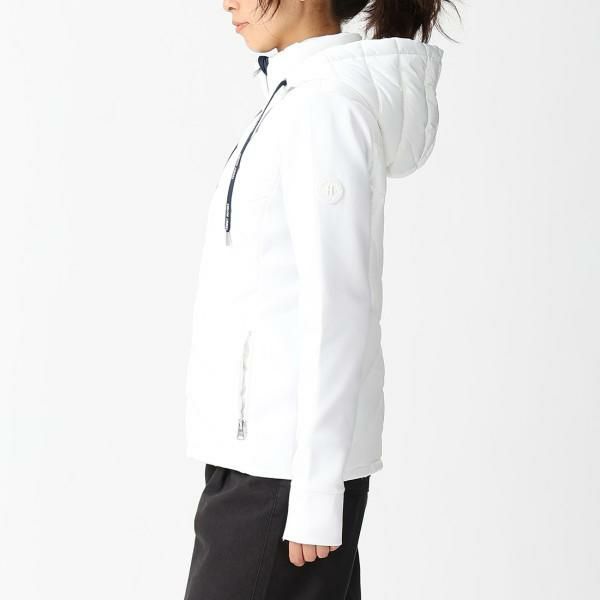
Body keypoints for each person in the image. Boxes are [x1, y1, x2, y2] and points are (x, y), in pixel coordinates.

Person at [183, 0, 456, 597]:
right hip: (263, 463)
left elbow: (340, 306)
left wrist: (315, 491)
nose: (226, 2)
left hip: (282, 474)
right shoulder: (292, 98)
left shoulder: (323, 108)